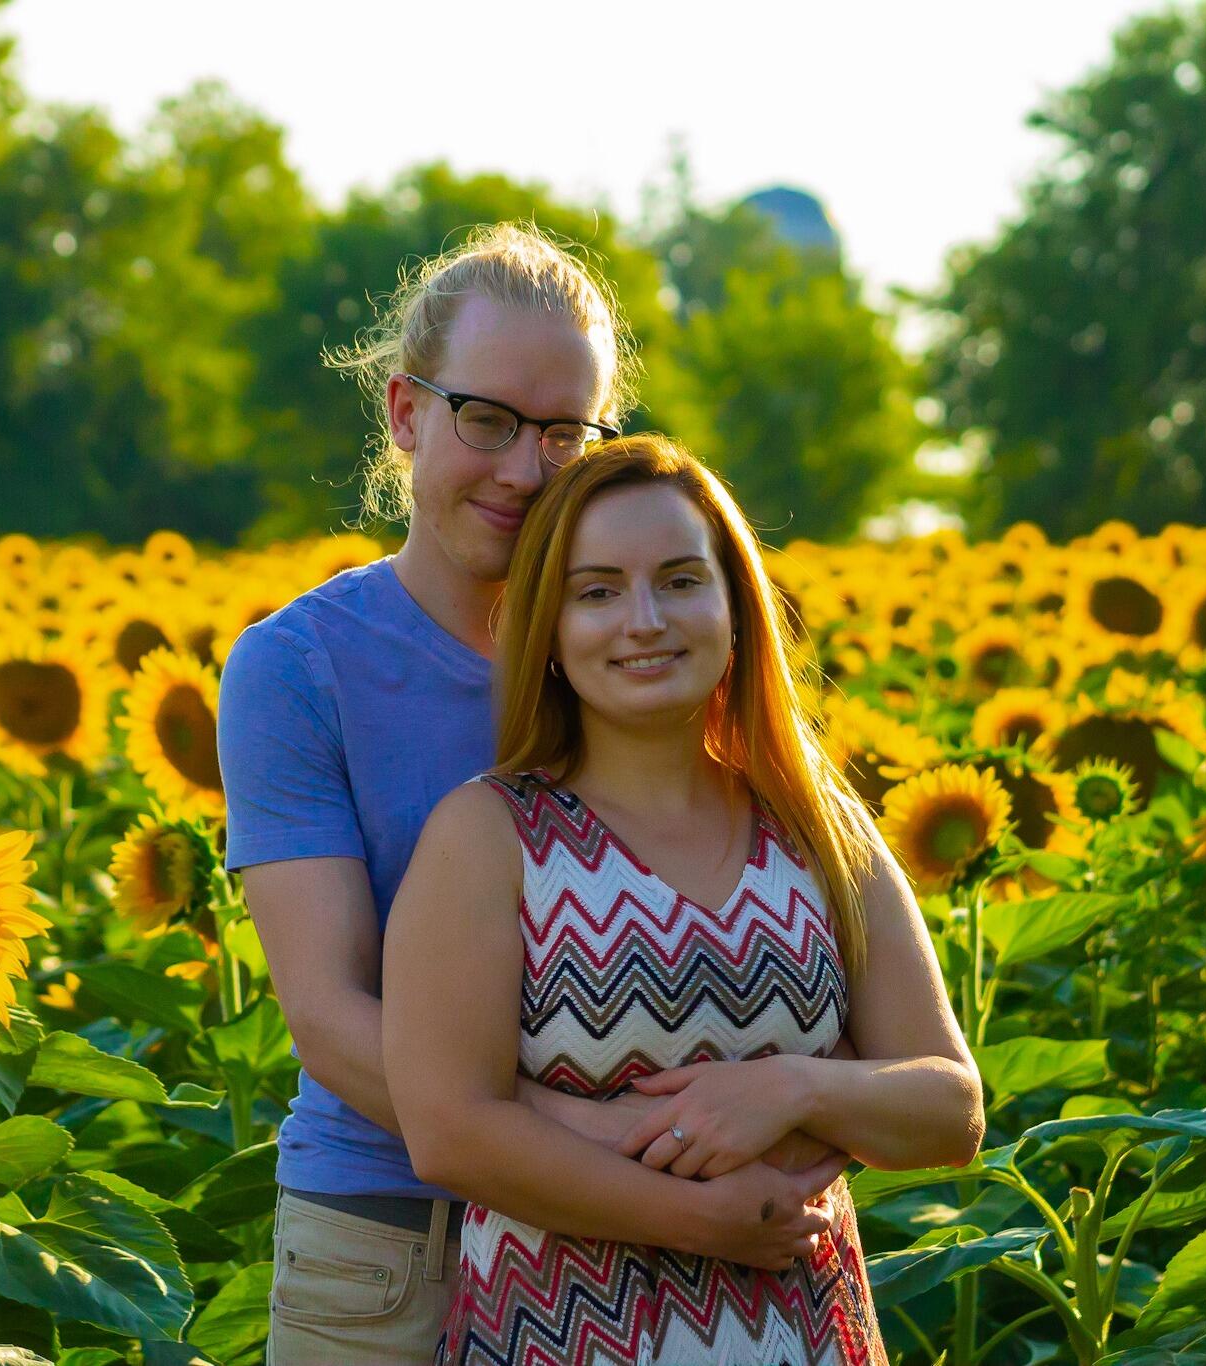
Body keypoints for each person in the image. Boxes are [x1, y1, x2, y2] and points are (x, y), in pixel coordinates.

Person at [216, 224, 850, 1364]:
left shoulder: (636, 646)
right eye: (488, 420)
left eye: (563, 430)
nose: (522, 468)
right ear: (407, 414)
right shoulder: (299, 668)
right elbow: (327, 1014)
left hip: (657, 1246)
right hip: (394, 1226)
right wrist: (608, 1141)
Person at [382, 434, 987, 1365]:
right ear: (546, 628)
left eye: (679, 580)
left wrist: (788, 1088)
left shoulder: (818, 827)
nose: (644, 620)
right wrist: (702, 1218)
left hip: (807, 1334)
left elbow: (952, 1109)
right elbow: (451, 1132)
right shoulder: (488, 835)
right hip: (562, 1336)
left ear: (734, 606)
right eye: (596, 591)